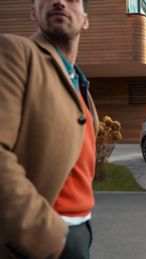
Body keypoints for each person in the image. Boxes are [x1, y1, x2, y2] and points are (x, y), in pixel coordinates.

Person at [0, 0, 98, 258]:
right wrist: (46, 237)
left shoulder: (80, 84)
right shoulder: (15, 52)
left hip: (82, 228)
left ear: (85, 20)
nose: (59, 1)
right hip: (42, 238)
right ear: (34, 12)